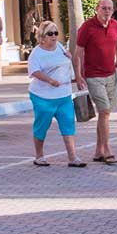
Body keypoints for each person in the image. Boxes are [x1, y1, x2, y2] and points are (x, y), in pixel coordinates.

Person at [27, 23, 84, 167]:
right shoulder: (37, 53)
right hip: (43, 96)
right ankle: (39, 156)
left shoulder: (59, 46)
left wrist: (70, 59)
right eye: (50, 34)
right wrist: (50, 80)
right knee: (42, 126)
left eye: (55, 33)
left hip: (63, 95)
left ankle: (73, 157)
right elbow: (34, 71)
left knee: (68, 124)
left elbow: (65, 62)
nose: (54, 36)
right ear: (42, 37)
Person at [74, 0, 117, 165]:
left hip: (111, 75)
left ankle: (98, 151)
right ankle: (107, 149)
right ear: (97, 9)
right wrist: (79, 75)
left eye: (109, 8)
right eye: (104, 8)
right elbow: (78, 52)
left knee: (105, 114)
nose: (107, 11)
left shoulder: (114, 24)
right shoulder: (87, 27)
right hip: (94, 76)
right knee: (105, 111)